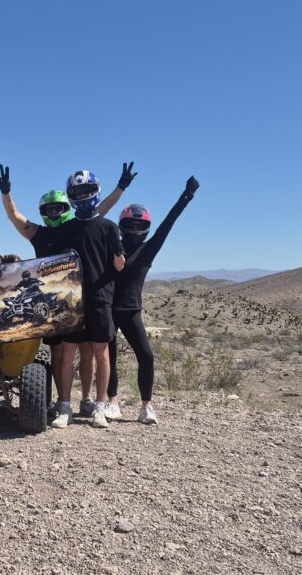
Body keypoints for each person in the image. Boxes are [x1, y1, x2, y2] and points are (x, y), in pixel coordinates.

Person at [0, 163, 135, 418]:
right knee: (59, 353)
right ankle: (60, 403)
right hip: (54, 300)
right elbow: (14, 217)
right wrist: (6, 193)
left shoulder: (76, 227)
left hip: (83, 297)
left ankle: (86, 401)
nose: (54, 212)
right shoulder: (42, 233)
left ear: (66, 207)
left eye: (58, 208)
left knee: (86, 352)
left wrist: (120, 188)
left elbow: (100, 212)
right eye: (49, 209)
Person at [106, 176, 199, 425]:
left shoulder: (149, 249)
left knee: (146, 356)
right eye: (131, 224)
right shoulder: (111, 246)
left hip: (132, 311)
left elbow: (168, 224)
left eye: (140, 225)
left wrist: (186, 197)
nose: (136, 229)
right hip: (110, 311)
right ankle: (112, 402)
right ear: (123, 225)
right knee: (109, 358)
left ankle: (146, 406)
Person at [51, 170, 126, 429]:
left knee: (100, 353)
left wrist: (119, 250)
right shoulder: (67, 228)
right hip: (72, 299)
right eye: (77, 192)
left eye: (86, 191)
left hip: (100, 298)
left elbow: (119, 266)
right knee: (67, 353)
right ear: (71, 196)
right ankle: (64, 407)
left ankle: (100, 407)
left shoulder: (108, 227)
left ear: (95, 191)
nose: (82, 196)